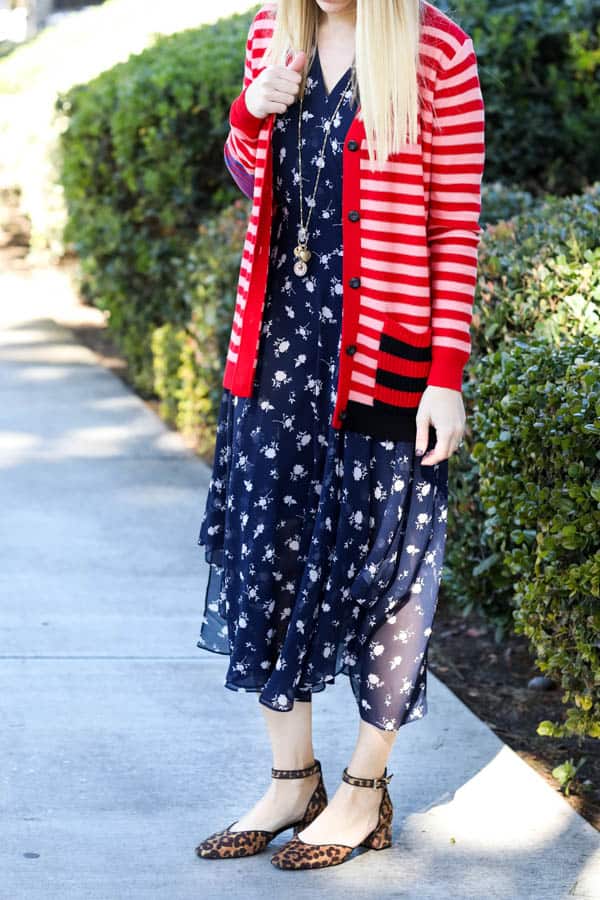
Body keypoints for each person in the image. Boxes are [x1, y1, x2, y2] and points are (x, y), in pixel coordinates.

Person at [194, 0, 485, 870]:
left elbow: (453, 228)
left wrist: (444, 378)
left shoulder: (438, 49)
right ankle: (292, 780)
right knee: (267, 552)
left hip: (380, 361)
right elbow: (249, 177)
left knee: (384, 572)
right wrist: (255, 110)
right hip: (277, 350)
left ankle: (363, 791)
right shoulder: (269, 35)